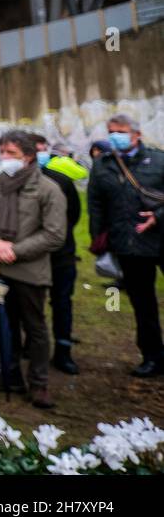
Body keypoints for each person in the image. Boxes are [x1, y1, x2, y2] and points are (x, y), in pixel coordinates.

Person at [0, 131, 66, 408]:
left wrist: (14, 250)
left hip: (29, 271)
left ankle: (38, 384)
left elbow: (54, 235)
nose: (5, 158)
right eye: (2, 152)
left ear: (28, 156)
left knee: (34, 328)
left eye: (11, 153)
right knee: (5, 323)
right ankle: (10, 376)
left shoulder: (48, 189)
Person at [87, 114, 164, 377]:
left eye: (119, 131)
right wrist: (99, 241)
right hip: (128, 244)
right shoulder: (103, 164)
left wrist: (158, 217)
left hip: (160, 237)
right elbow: (95, 203)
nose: (114, 136)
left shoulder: (158, 160)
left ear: (136, 134)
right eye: (111, 131)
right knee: (143, 304)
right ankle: (153, 356)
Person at [31, 132, 82, 374]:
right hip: (30, 256)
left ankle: (63, 350)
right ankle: (30, 346)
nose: (41, 153)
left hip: (60, 254)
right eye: (36, 148)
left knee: (62, 302)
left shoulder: (62, 181)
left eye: (43, 148)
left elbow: (73, 216)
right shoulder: (15, 182)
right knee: (31, 303)